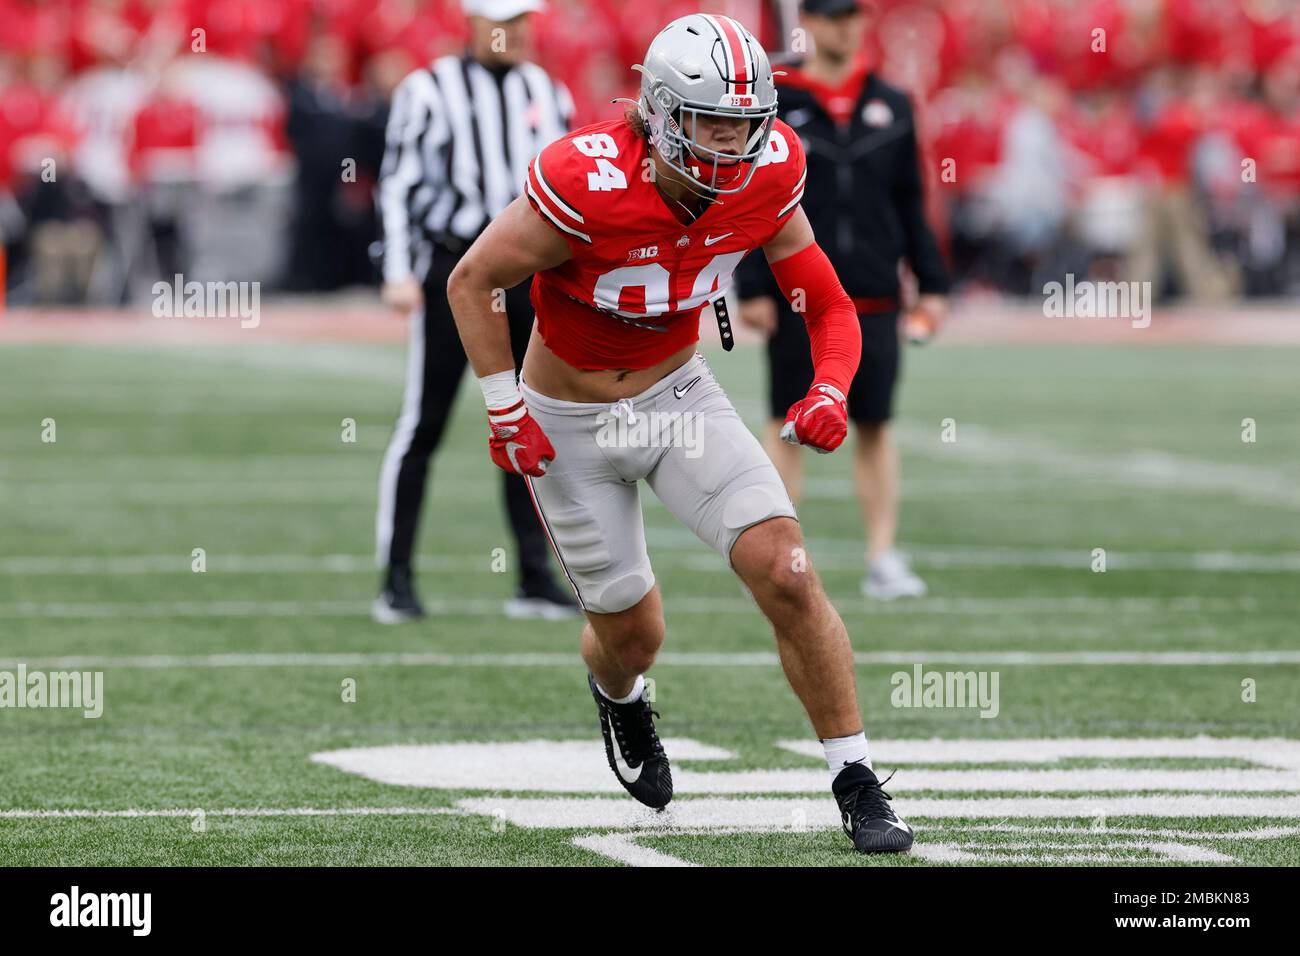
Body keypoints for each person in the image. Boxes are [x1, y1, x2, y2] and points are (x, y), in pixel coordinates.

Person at [447, 13, 912, 853]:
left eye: (744, 121)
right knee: (635, 633)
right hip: (568, 422)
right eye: (709, 119)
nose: (730, 142)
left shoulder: (768, 174)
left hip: (678, 397)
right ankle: (620, 698)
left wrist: (831, 389)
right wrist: (503, 406)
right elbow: (475, 278)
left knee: (790, 573)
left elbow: (829, 304)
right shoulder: (587, 178)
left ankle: (856, 776)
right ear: (660, 111)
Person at [737, 0, 951, 599]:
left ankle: (882, 553)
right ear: (810, 20)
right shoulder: (778, 100)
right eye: (831, 14)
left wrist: (932, 281)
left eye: (852, 13)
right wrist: (752, 284)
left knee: (876, 423)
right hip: (798, 293)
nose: (843, 25)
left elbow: (912, 201)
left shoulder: (894, 103)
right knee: (785, 421)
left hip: (876, 294)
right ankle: (777, 554)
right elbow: (749, 195)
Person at [373, 0, 578, 623]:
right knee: (425, 424)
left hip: (526, 275)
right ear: (470, 23)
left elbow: (568, 190)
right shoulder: (428, 89)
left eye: (523, 21)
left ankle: (533, 578)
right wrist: (399, 272)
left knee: (529, 420)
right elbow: (399, 183)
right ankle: (397, 580)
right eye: (504, 21)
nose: (516, 32)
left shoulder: (548, 89)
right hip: (454, 271)